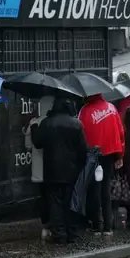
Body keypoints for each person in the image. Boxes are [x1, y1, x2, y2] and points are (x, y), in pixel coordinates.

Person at [32, 98, 88, 244]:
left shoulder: (46, 123)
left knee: (55, 203)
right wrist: (79, 166)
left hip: (52, 171)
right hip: (71, 171)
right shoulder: (76, 124)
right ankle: (73, 233)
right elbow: (83, 150)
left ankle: (59, 234)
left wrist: (33, 127)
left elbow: (37, 143)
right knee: (71, 202)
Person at [79, 93, 125, 234]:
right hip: (110, 154)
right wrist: (120, 155)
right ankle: (108, 227)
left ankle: (97, 224)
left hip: (93, 155)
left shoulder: (85, 111)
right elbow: (120, 132)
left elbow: (81, 134)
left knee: (94, 189)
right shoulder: (111, 108)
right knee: (105, 189)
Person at [25, 97, 53, 239]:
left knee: (43, 197)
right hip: (54, 168)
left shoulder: (33, 123)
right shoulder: (53, 122)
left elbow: (28, 146)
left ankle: (45, 226)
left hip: (39, 169)